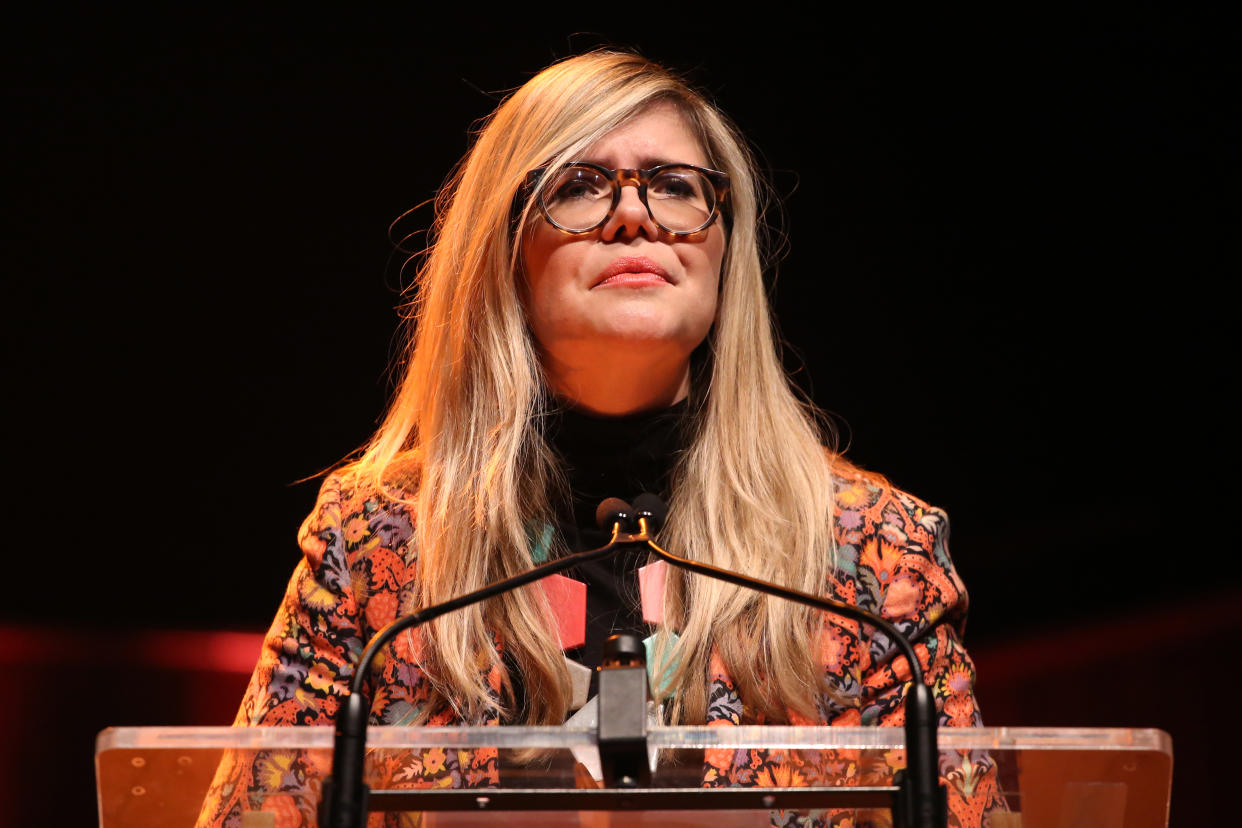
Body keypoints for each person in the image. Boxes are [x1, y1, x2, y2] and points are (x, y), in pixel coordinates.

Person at [198, 51, 1003, 827]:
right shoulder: (379, 540)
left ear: (726, 247)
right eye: (579, 186)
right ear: (505, 249)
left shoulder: (872, 550)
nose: (631, 215)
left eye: (676, 186)